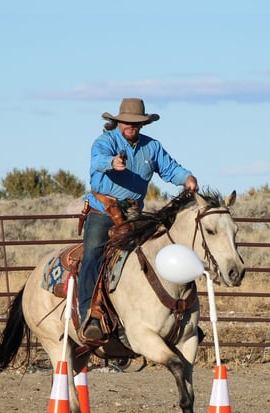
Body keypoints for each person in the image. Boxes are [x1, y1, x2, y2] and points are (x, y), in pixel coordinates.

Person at [78, 98, 199, 341]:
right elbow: (97, 161)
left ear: (142, 124)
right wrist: (112, 162)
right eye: (126, 122)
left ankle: (155, 317)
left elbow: (170, 169)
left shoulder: (151, 148)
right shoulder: (105, 142)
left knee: (155, 253)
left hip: (134, 215)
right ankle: (88, 316)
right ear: (118, 122)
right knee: (92, 255)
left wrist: (186, 178)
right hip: (104, 212)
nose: (130, 126)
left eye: (135, 123)